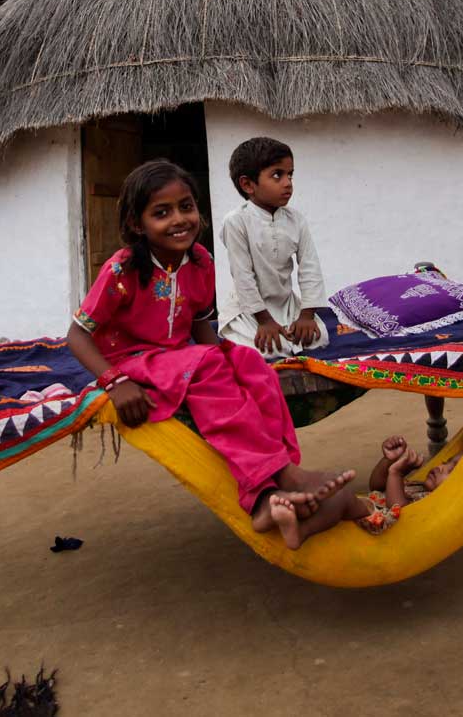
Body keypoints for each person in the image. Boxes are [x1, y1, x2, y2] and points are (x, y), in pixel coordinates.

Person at [66, 158, 357, 548]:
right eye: (161, 213)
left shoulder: (201, 263)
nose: (179, 220)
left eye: (186, 206)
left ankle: (283, 476)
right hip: (130, 360)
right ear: (138, 225)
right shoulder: (122, 270)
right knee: (207, 365)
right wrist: (115, 383)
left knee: (250, 362)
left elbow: (202, 326)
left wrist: (227, 360)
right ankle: (267, 490)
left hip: (176, 359)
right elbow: (76, 336)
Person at [217, 137, 331, 359]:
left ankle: (289, 331)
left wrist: (306, 316)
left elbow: (310, 268)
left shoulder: (296, 220)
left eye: (290, 174)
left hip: (287, 304)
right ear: (248, 185)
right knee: (267, 349)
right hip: (251, 310)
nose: (288, 183)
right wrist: (264, 321)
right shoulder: (236, 221)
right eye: (277, 175)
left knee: (319, 337)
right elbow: (243, 277)